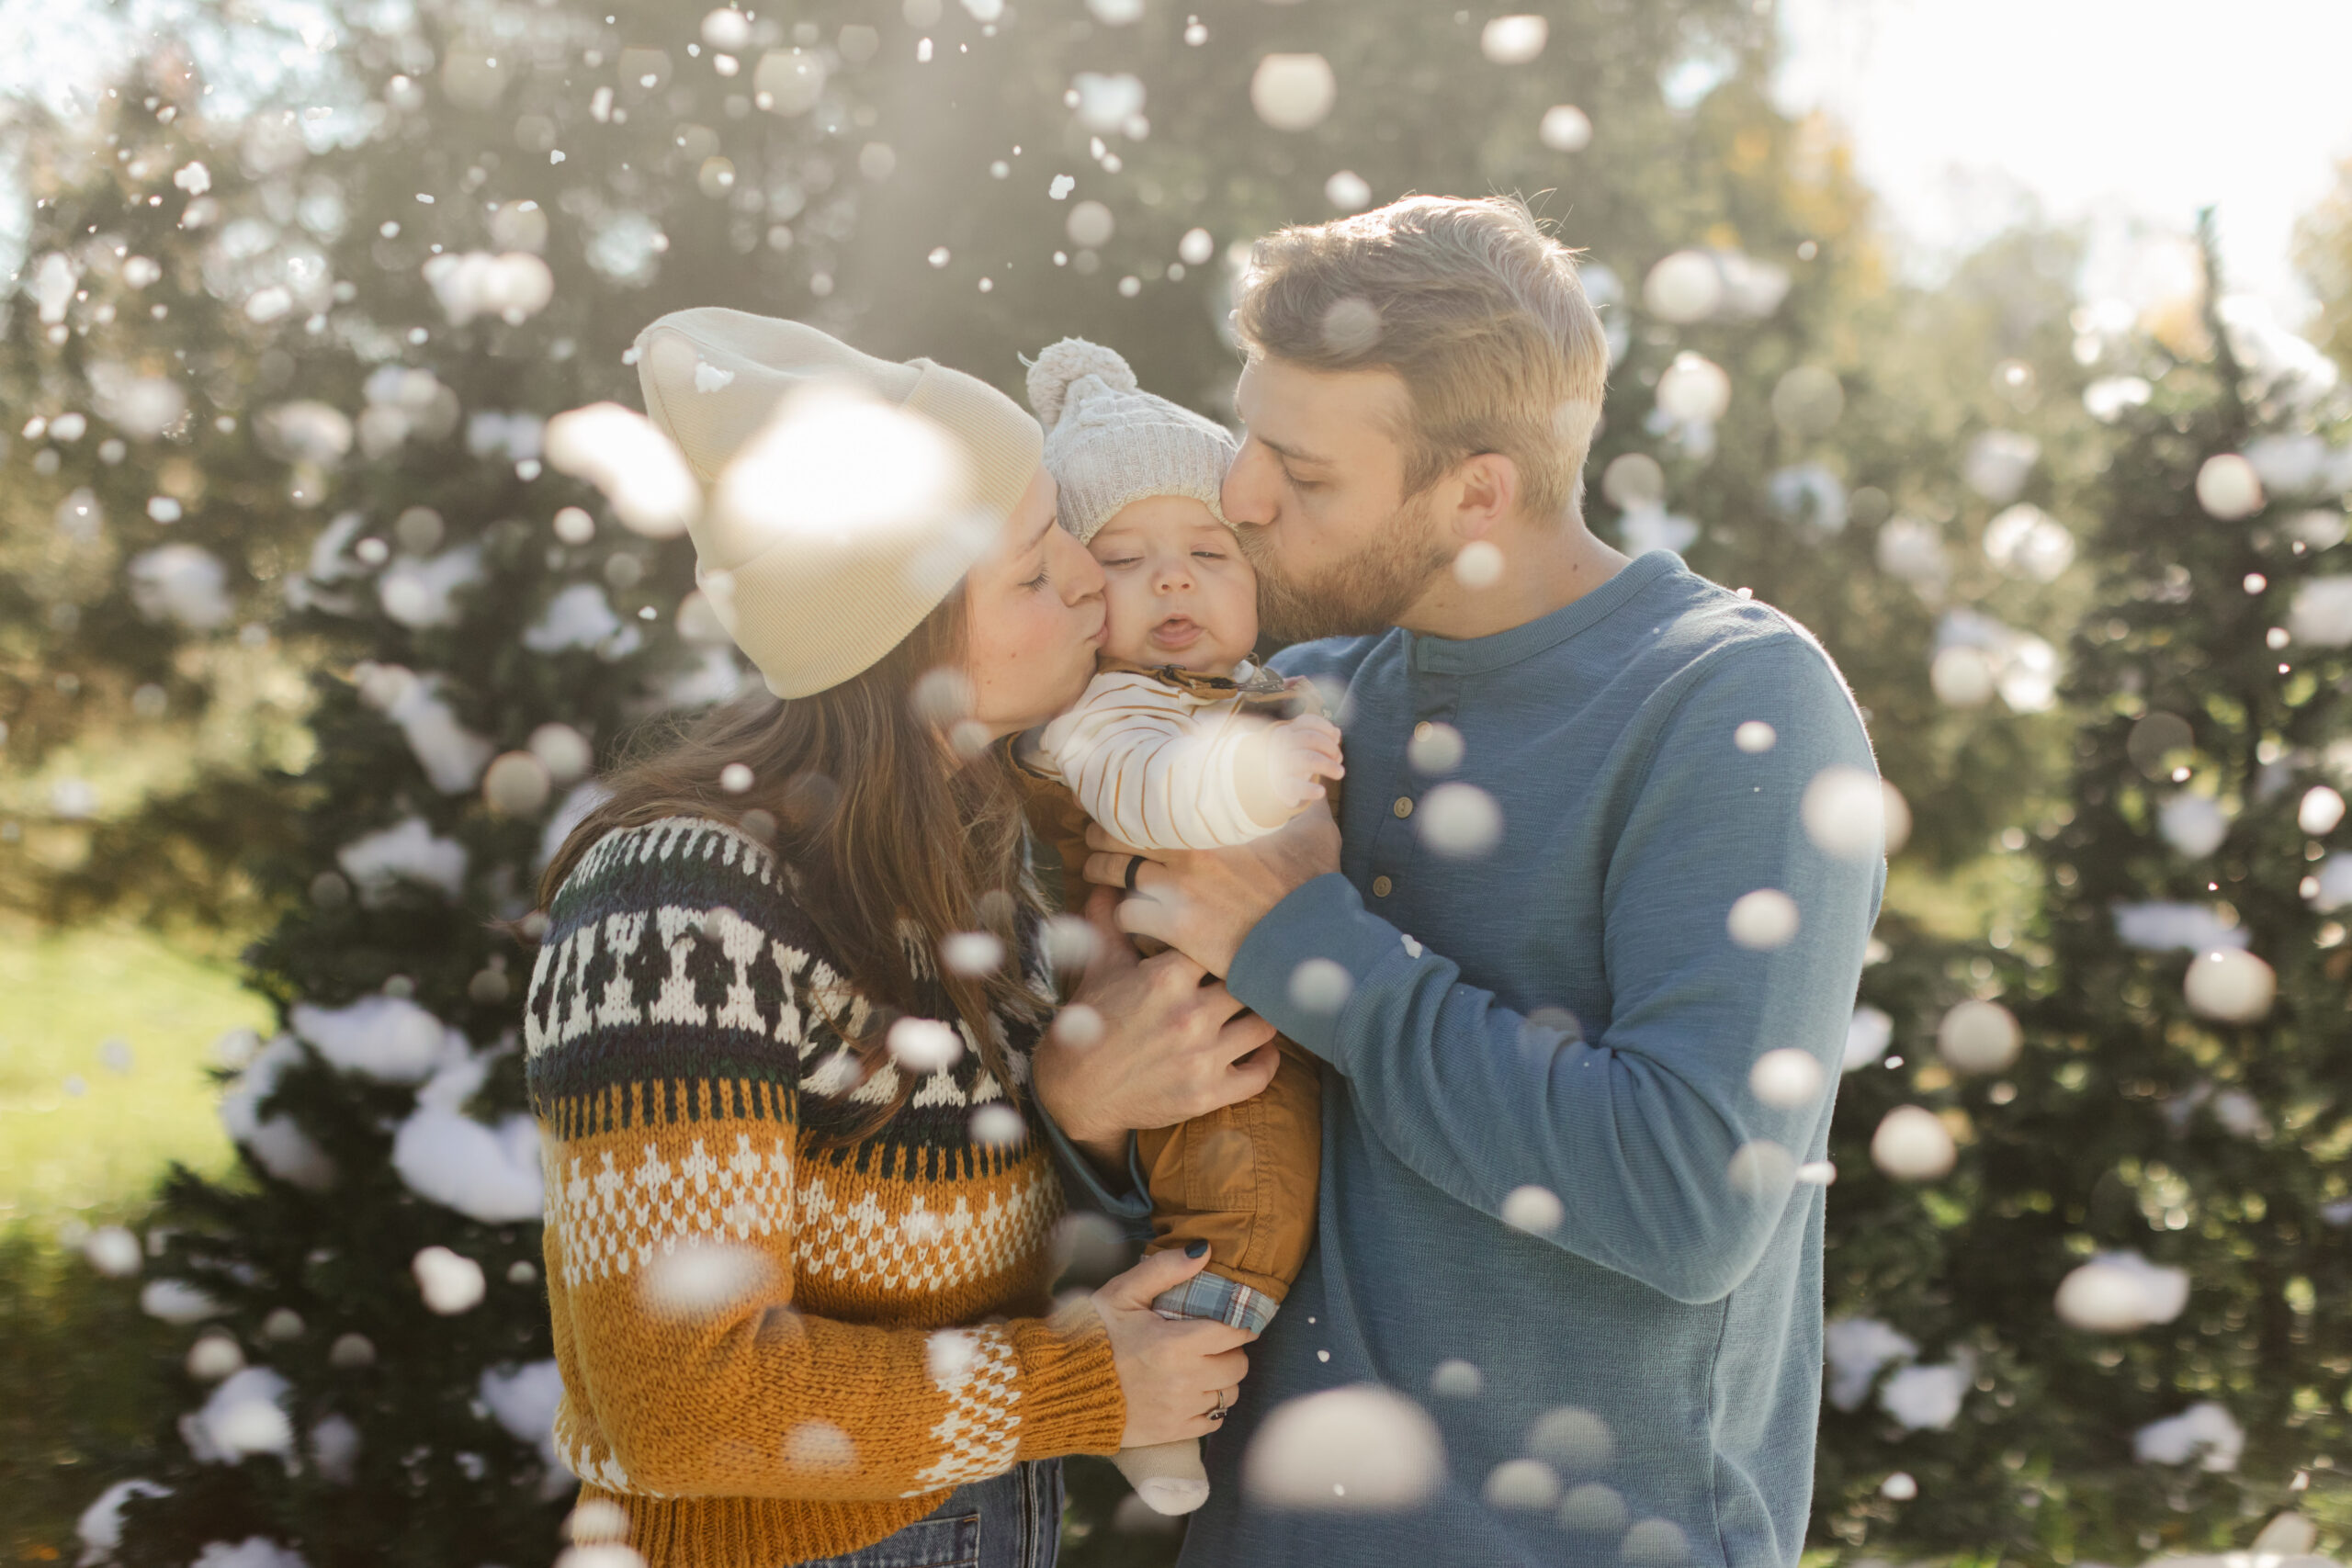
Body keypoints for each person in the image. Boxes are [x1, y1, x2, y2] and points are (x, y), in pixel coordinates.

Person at [1054, 196, 1889, 1565]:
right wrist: (1082, 1112)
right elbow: (1204, 1178)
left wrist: (1307, 942)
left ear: (1478, 492)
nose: (1242, 495)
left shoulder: (1737, 704)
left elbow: (1689, 1199)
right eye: (1248, 436)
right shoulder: (1288, 704)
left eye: (1304, 474)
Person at [525, 308, 1279, 1568]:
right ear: (902, 638)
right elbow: (683, 1403)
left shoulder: (972, 852)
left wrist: (1081, 1107)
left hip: (977, 1518)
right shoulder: (684, 905)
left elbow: (952, 1248)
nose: (1093, 580)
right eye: (1037, 570)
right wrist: (1075, 1388)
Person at [1008, 338, 1337, 1515]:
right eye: (1127, 561)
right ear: (1080, 595)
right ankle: (1173, 1385)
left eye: (1207, 553)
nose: (1176, 583)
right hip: (1185, 1011)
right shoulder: (1097, 710)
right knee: (1249, 1189)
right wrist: (1256, 776)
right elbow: (1150, 792)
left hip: (1230, 989)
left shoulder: (1254, 683)